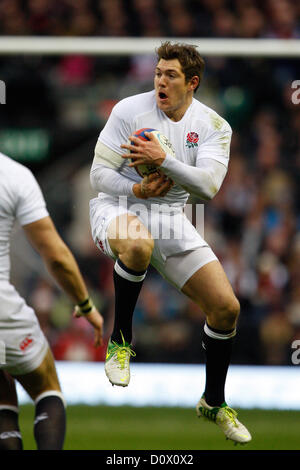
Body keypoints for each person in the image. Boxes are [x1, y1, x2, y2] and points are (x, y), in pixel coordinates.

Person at [89, 41, 251, 444]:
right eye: (158, 72)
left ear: (191, 83)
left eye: (171, 75)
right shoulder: (128, 110)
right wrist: (138, 190)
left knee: (226, 308)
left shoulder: (213, 126)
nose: (161, 80)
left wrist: (163, 160)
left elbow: (209, 188)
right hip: (117, 205)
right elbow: (98, 175)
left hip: (171, 217)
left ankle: (213, 401)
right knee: (138, 246)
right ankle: (120, 343)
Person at [0, 152, 104, 450]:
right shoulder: (14, 175)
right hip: (2, 309)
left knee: (2, 394)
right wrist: (85, 305)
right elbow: (56, 255)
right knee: (47, 387)